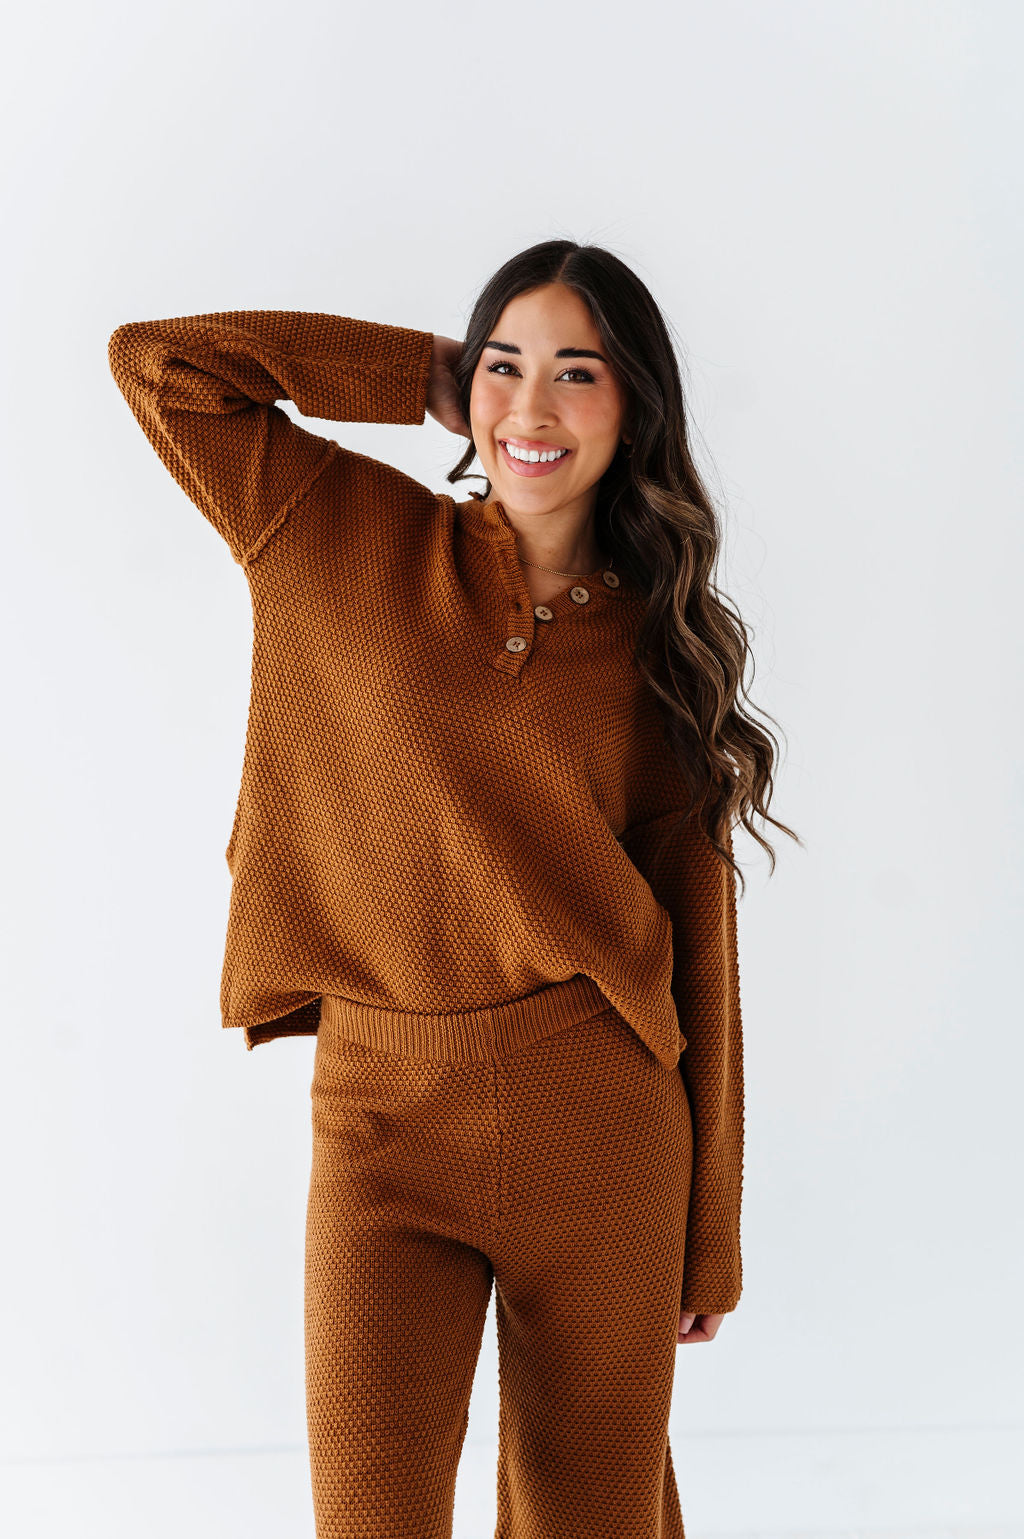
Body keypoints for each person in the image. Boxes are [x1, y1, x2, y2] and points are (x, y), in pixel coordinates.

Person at [108, 239, 798, 1538]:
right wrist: (419, 376)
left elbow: (698, 939)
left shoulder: (659, 640)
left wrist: (712, 1232)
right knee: (369, 1515)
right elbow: (160, 365)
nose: (533, 406)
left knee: (591, 1518)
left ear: (636, 404)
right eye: (505, 365)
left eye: (576, 373)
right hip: (380, 1116)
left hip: (599, 1118)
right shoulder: (332, 527)